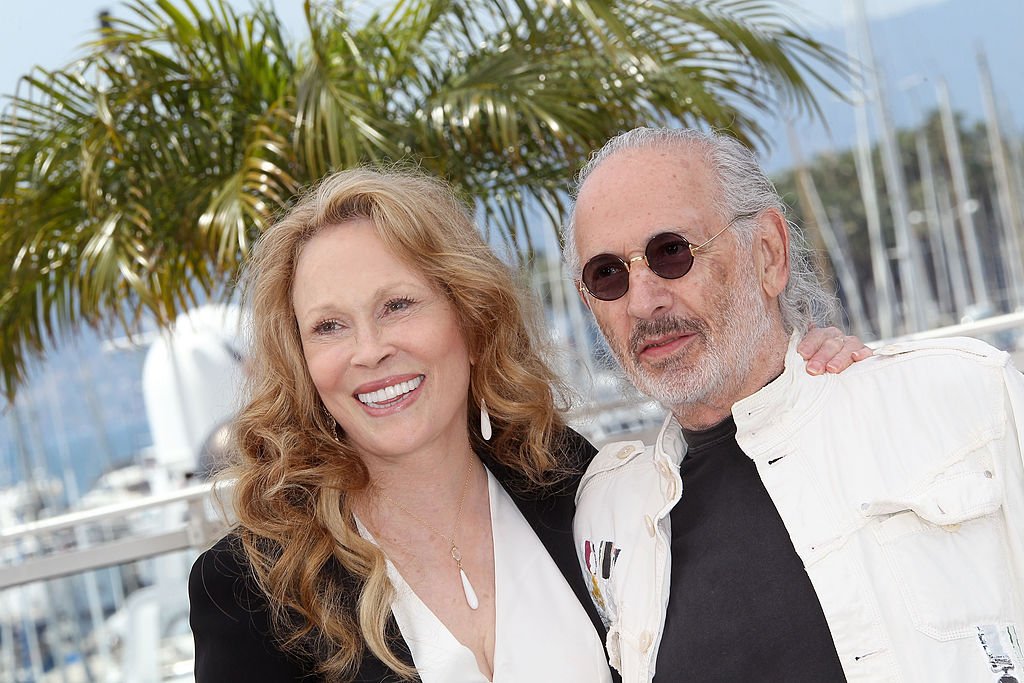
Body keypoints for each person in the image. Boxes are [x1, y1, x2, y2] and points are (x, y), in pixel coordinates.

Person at [187, 166, 863, 682]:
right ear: (302, 362)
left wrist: (800, 383)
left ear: (470, 320)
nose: (369, 350)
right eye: (329, 326)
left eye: (397, 305)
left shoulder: (571, 485)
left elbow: (735, 528)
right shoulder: (250, 590)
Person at [567, 127, 1024, 683]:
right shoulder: (607, 514)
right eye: (608, 274)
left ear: (769, 253)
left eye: (671, 253)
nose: (642, 301)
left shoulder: (965, 399)